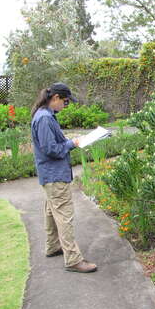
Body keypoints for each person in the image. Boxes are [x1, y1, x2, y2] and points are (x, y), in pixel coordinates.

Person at [31, 82, 97, 273]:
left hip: (50, 175)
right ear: (56, 98)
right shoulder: (44, 118)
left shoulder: (45, 115)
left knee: (52, 211)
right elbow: (51, 150)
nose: (66, 106)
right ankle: (73, 260)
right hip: (54, 175)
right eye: (65, 102)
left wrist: (68, 141)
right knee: (64, 217)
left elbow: (50, 143)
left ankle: (53, 246)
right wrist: (72, 144)